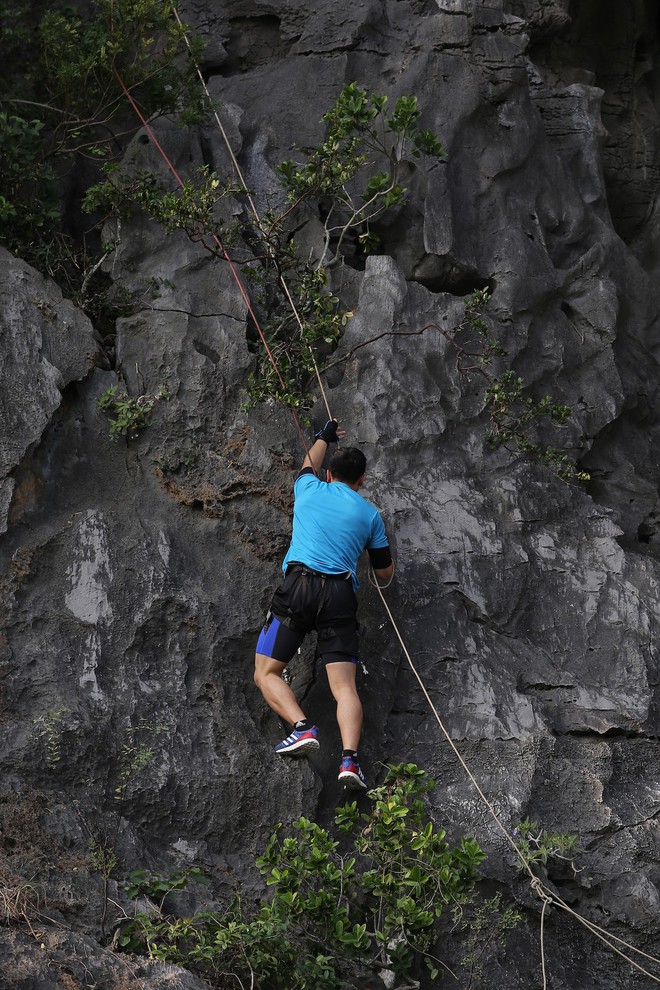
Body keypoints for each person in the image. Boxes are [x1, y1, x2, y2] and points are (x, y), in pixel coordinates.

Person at [253, 418, 394, 790]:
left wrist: (324, 437)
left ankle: (300, 728)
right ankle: (350, 760)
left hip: (298, 587)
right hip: (339, 596)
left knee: (266, 672)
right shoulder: (370, 516)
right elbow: (384, 574)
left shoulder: (309, 489)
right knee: (345, 688)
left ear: (329, 474)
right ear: (361, 481)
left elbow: (306, 464)